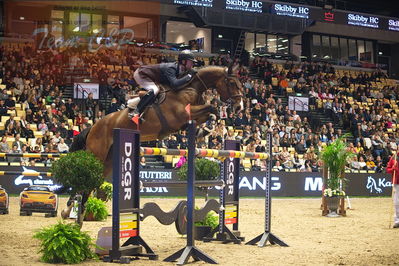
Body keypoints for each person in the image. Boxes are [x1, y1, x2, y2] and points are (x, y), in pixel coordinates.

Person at [129, 50, 197, 117]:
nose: (192, 64)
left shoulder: (181, 69)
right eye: (191, 62)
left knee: (161, 91)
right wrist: (189, 76)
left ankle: (133, 102)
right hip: (141, 74)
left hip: (151, 77)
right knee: (155, 90)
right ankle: (136, 111)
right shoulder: (171, 68)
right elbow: (175, 83)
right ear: (183, 61)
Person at [386, 151, 399, 228]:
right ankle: (397, 220)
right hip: (397, 182)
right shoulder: (394, 158)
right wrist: (393, 169)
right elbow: (388, 169)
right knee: (396, 202)